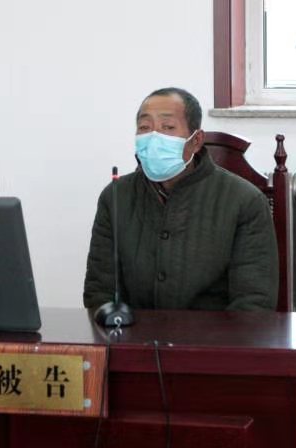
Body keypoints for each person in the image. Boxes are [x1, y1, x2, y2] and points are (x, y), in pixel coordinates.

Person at [83, 87, 278, 311]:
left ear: (196, 140)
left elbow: (254, 303)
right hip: (134, 331)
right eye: (144, 127)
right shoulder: (116, 196)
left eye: (168, 127)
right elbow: (99, 292)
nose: (154, 137)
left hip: (214, 333)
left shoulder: (245, 201)